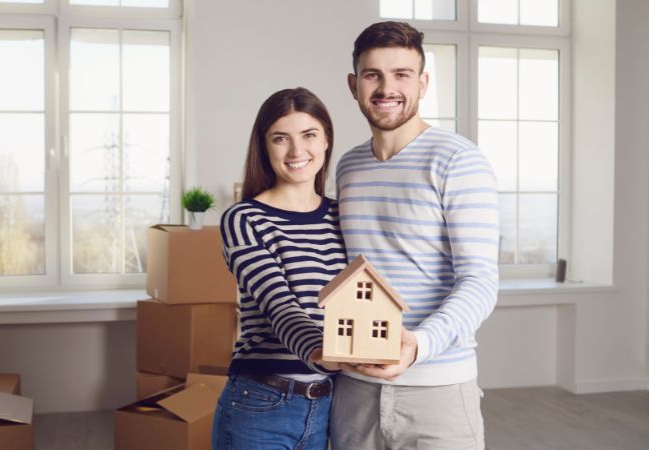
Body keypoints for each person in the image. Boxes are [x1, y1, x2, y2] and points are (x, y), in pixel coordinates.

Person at [330, 21, 499, 450]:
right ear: (354, 85)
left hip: (438, 389)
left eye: (402, 74)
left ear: (423, 84)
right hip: (354, 390)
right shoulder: (348, 167)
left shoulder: (458, 160)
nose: (387, 88)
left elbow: (480, 282)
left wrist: (418, 346)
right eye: (373, 75)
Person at [211, 87, 347, 450]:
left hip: (329, 404)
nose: (297, 151)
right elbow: (279, 306)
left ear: (327, 140)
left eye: (309, 135)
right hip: (259, 404)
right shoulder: (244, 218)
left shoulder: (343, 216)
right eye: (280, 138)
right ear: (264, 146)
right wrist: (321, 353)